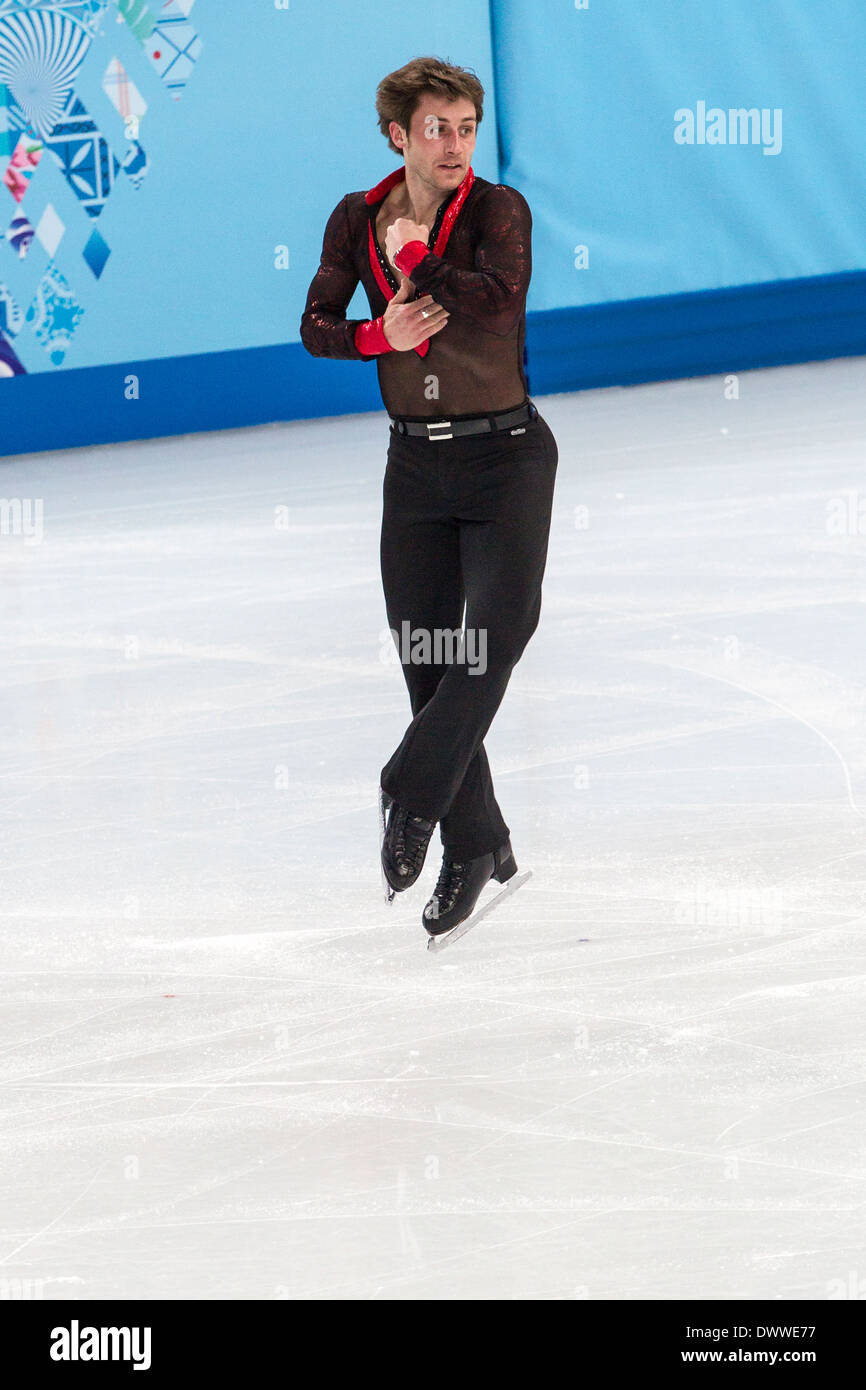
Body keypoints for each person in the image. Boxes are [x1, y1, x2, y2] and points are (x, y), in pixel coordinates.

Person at [300, 56, 558, 937]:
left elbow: (499, 302)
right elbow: (314, 328)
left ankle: (409, 789)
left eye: (466, 128)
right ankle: (479, 844)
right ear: (398, 137)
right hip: (414, 469)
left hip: (508, 458)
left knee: (497, 634)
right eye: (437, 129)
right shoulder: (354, 218)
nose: (455, 146)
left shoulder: (496, 210)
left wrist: (425, 266)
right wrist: (380, 332)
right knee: (427, 654)